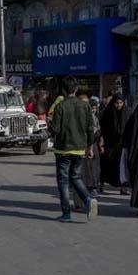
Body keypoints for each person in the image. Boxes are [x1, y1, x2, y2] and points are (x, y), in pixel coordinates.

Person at [50, 76, 98, 222]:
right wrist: (90, 147)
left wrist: (50, 124)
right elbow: (91, 129)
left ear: (64, 90)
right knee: (76, 177)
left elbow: (55, 129)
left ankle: (66, 213)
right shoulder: (85, 106)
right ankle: (88, 199)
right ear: (76, 89)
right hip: (79, 149)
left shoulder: (61, 106)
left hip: (63, 149)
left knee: (63, 182)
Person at [100, 93, 129, 195]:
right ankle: (101, 184)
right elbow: (102, 127)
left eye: (121, 103)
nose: (119, 105)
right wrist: (102, 141)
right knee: (106, 164)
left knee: (121, 166)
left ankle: (123, 187)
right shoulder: (108, 112)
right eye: (117, 103)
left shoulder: (126, 113)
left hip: (121, 144)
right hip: (109, 143)